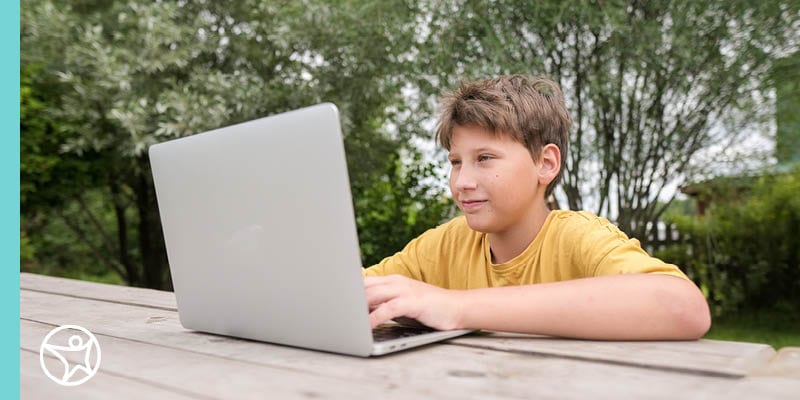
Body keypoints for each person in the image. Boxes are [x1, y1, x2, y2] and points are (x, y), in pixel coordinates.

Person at [362, 75, 711, 340]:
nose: (462, 181)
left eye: (484, 158)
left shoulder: (578, 236)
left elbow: (683, 308)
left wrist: (454, 306)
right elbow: (351, 291)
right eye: (456, 162)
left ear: (545, 163)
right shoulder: (446, 244)